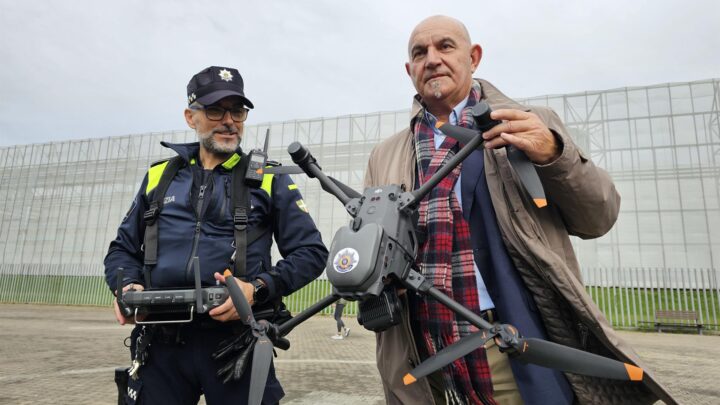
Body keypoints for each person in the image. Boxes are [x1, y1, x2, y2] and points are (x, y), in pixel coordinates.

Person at [363, 16, 675, 405]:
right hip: (422, 347)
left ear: (473, 57)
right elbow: (374, 245)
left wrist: (554, 156)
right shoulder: (387, 154)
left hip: (513, 341)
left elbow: (600, 216)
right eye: (419, 53)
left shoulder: (530, 124)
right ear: (409, 70)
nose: (432, 59)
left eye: (445, 47)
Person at [104, 66, 328, 405]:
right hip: (161, 344)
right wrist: (128, 287)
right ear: (190, 116)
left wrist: (257, 289)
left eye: (237, 111)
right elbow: (121, 249)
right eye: (215, 110)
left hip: (236, 344)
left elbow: (311, 252)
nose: (228, 121)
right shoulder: (158, 177)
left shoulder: (269, 177)